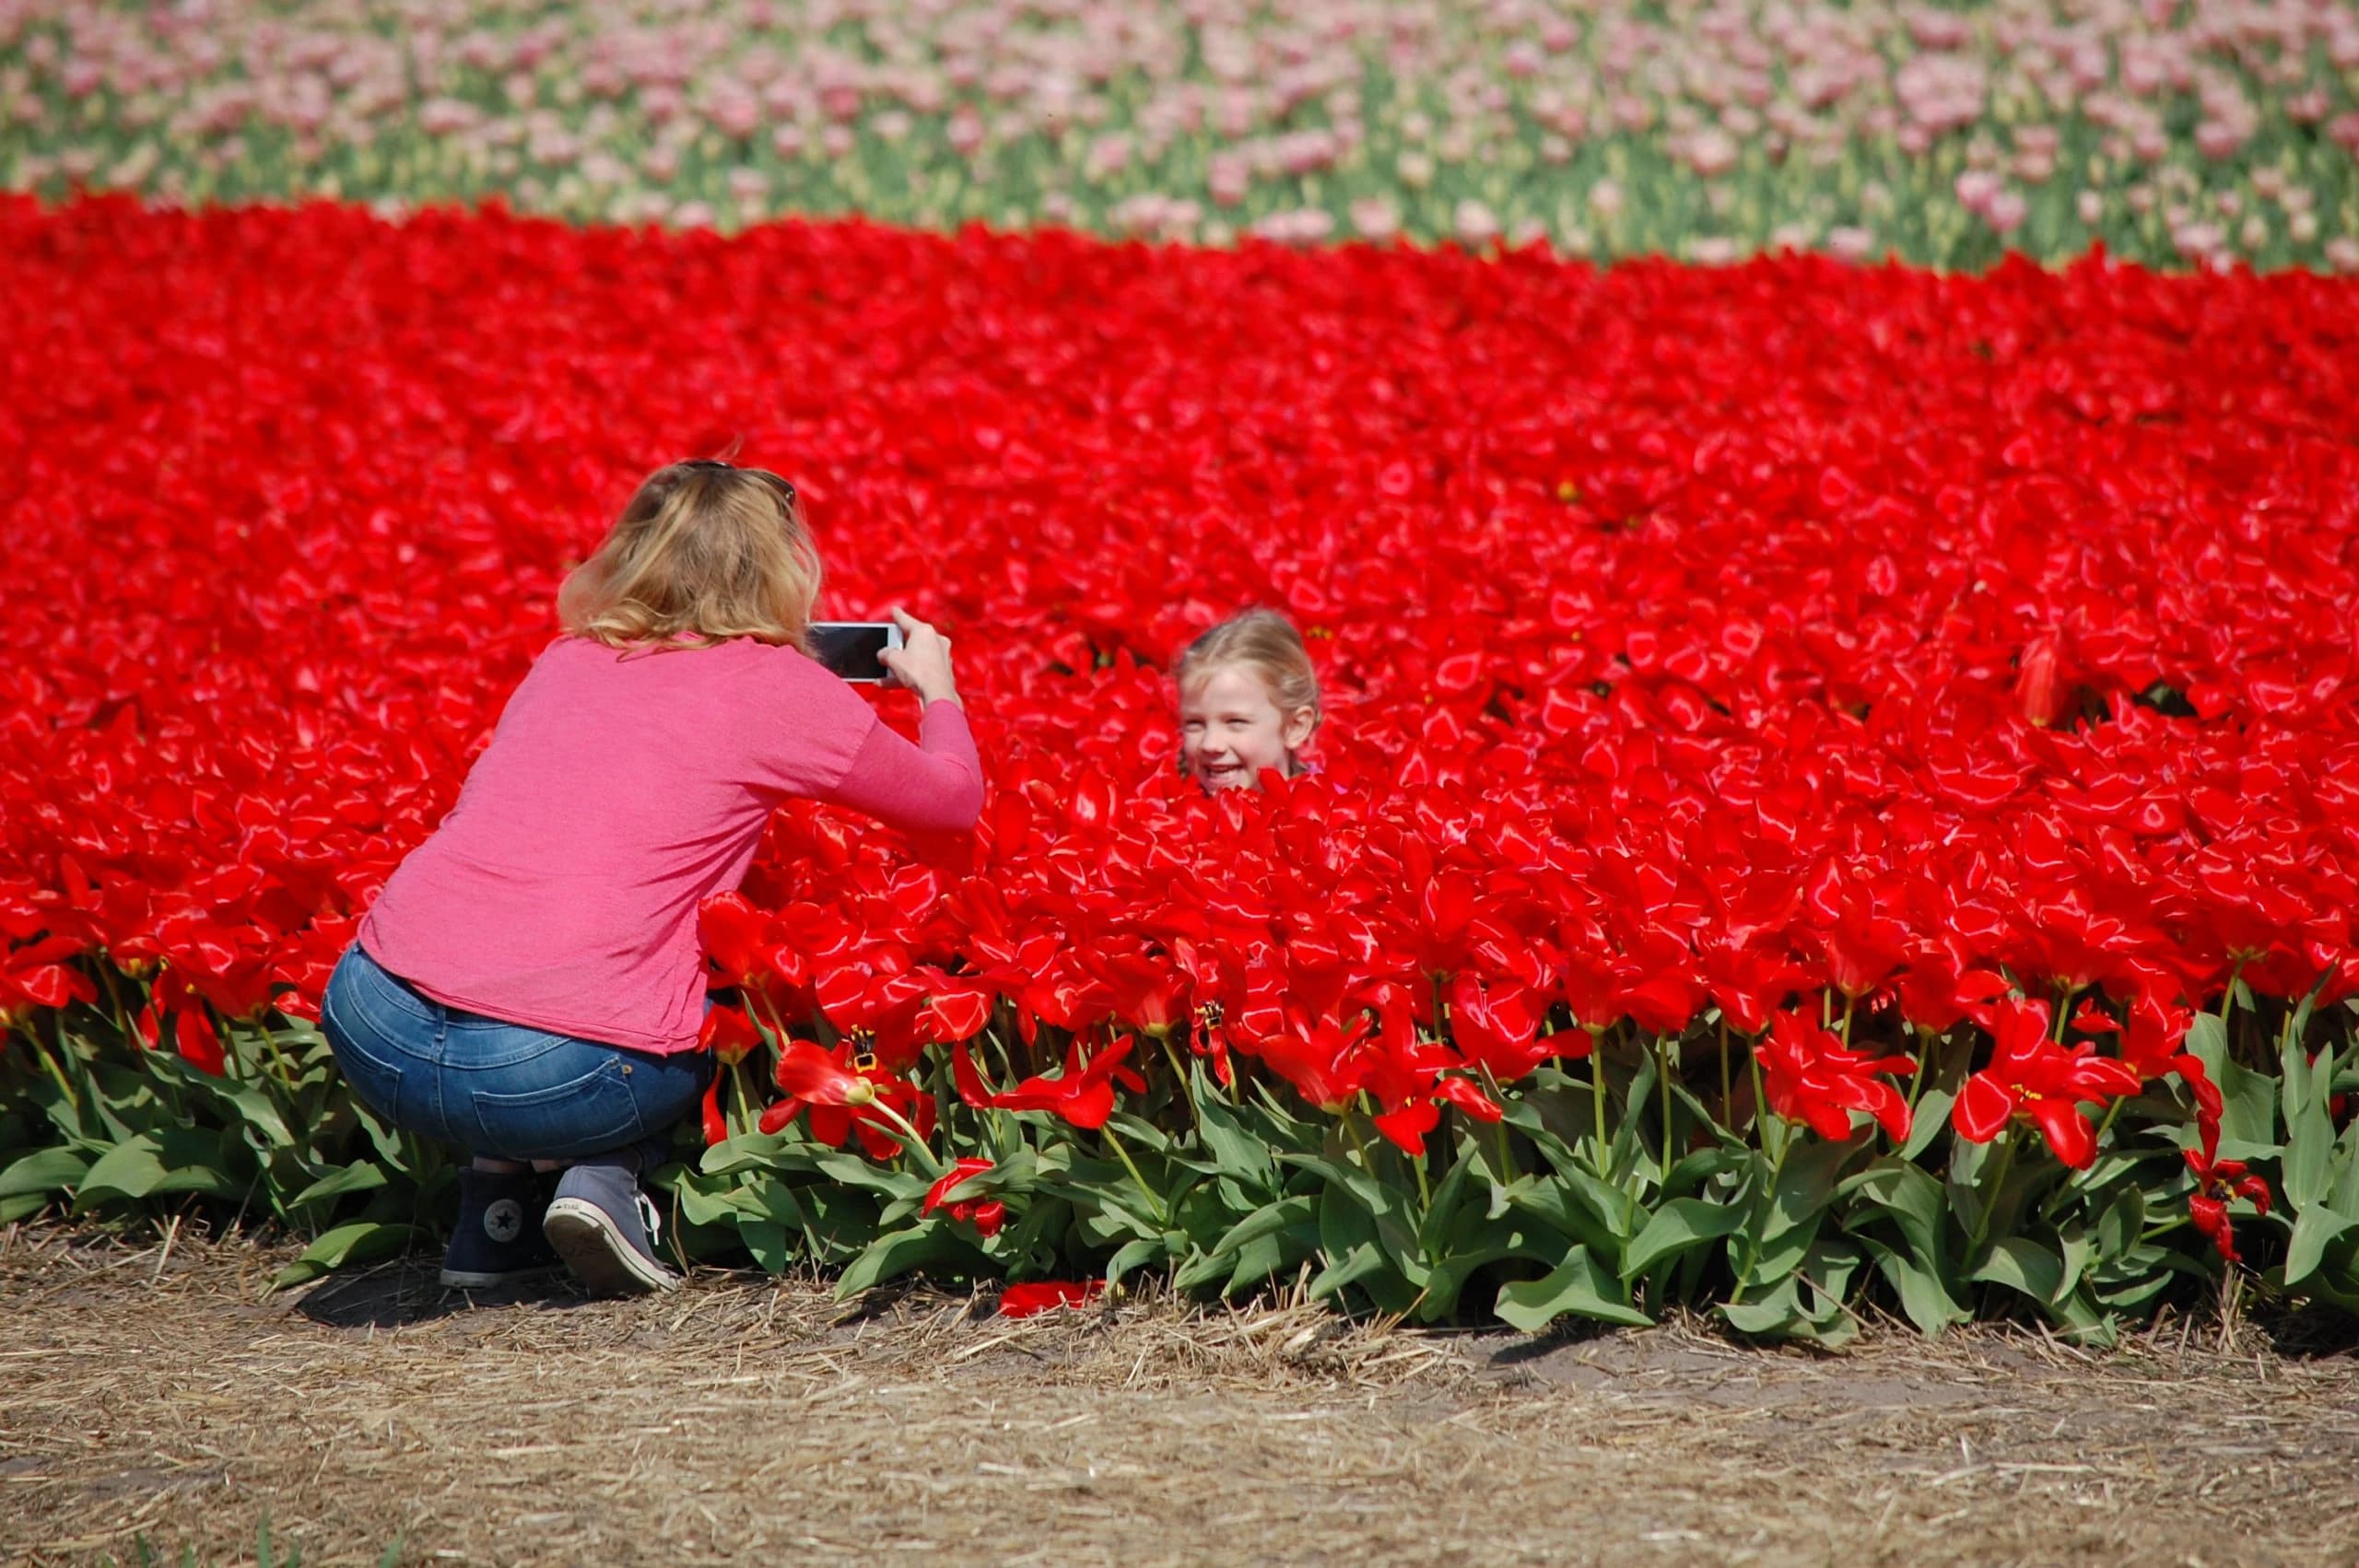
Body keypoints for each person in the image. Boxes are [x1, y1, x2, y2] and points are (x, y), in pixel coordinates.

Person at [320, 460, 981, 1297]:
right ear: (783, 565)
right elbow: (952, 805)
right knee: (732, 993)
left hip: (370, 1025)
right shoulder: (780, 686)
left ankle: (493, 1217)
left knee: (538, 977)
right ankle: (603, 1185)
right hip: (552, 1074)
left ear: (631, 553)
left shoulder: (567, 659)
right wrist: (938, 689)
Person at [1173, 608, 1323, 790]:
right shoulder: (1170, 810)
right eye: (1194, 723)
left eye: (1235, 721)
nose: (1210, 744)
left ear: (1295, 727)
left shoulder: (1336, 811)